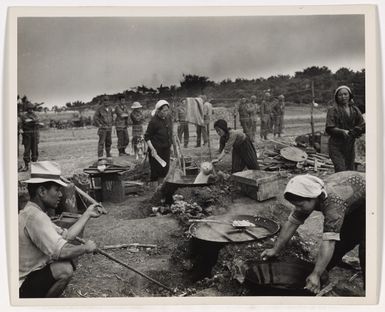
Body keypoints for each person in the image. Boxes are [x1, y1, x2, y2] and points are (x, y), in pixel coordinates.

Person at [261, 172, 366, 294]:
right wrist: (275, 249)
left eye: (300, 205)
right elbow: (291, 224)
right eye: (295, 205)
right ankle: (321, 273)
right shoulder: (310, 194)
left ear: (314, 198)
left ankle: (371, 292)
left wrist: (316, 274)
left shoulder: (333, 206)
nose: (298, 209)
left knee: (367, 248)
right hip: (354, 202)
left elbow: (329, 242)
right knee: (344, 241)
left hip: (376, 200)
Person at [19, 161, 106, 298]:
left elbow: (66, 236)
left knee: (63, 265)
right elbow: (61, 252)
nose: (60, 195)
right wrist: (85, 248)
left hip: (30, 277)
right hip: (21, 287)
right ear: (42, 191)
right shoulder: (36, 217)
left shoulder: (33, 212)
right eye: (57, 190)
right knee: (64, 268)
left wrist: (87, 214)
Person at [325, 86, 365, 172]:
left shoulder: (355, 109)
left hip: (350, 144)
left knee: (350, 169)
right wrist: (342, 131)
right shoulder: (333, 110)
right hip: (336, 145)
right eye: (340, 95)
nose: (343, 97)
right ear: (336, 97)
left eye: (345, 94)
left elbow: (362, 124)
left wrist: (356, 131)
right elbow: (329, 128)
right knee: (340, 169)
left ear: (350, 95)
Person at [144, 100, 175, 185]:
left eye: (167, 110)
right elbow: (147, 137)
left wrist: (171, 146)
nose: (166, 112)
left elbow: (170, 133)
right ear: (158, 111)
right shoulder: (153, 122)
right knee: (156, 171)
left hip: (166, 149)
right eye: (164, 110)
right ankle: (154, 191)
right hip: (156, 151)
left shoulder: (168, 119)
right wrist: (153, 149)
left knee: (164, 169)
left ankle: (160, 189)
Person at [20, 102, 40, 172]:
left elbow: (37, 121)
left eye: (31, 109)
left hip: (34, 134)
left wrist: (32, 120)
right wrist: (20, 129)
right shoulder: (23, 116)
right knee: (27, 150)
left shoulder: (35, 115)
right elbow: (22, 123)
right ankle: (26, 166)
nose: (30, 110)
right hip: (27, 135)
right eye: (29, 109)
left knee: (35, 150)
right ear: (27, 109)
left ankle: (35, 166)